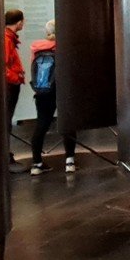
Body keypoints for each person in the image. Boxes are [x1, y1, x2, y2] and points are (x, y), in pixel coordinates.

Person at [28, 20, 77, 174]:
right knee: (68, 123)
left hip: (42, 91)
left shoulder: (36, 48)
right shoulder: (62, 47)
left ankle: (36, 163)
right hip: (61, 90)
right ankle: (69, 161)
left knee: (41, 124)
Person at [4, 7, 25, 170]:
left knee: (7, 119)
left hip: (11, 84)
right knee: (6, 119)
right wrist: (15, 78)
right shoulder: (6, 39)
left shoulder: (9, 38)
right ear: (19, 22)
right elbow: (4, 64)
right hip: (10, 85)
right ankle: (6, 158)